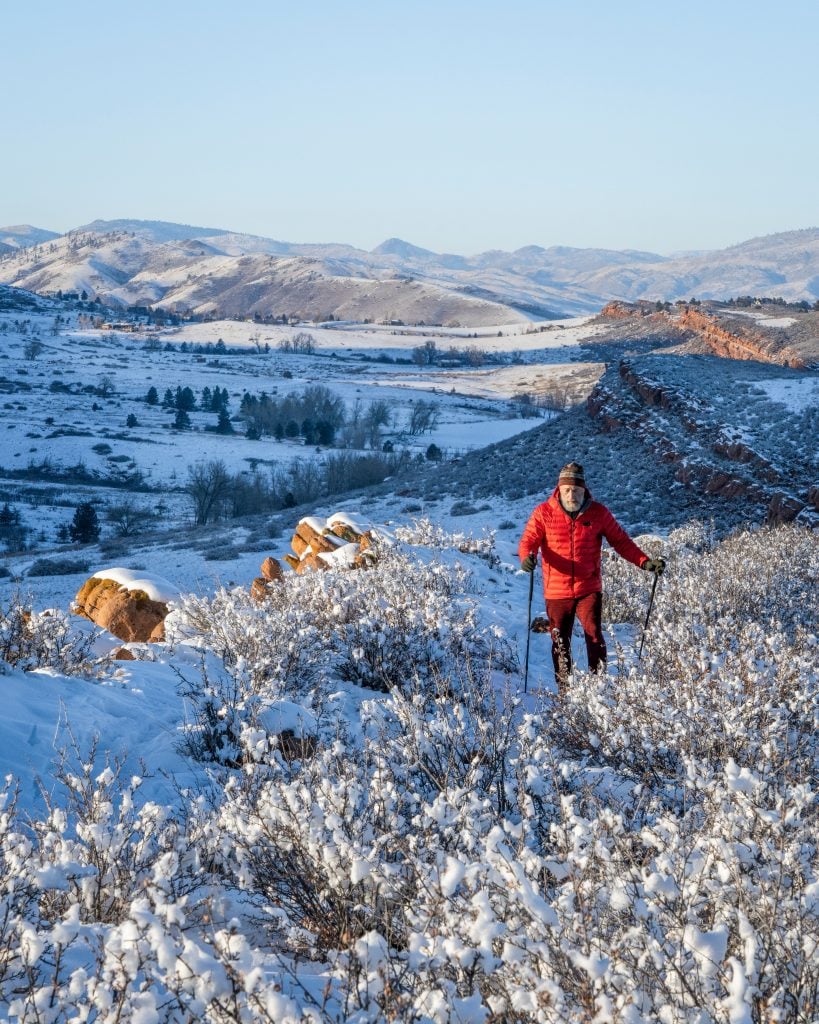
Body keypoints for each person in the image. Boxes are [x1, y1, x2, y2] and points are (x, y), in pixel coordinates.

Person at [518, 462, 665, 692]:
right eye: (567, 489)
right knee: (560, 640)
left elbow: (621, 541)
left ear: (584, 489)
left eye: (576, 489)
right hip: (557, 590)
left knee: (594, 636)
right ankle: (565, 691)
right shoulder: (543, 513)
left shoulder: (599, 513)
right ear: (559, 489)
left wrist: (644, 562)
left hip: (589, 587)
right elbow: (529, 541)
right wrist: (527, 557)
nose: (571, 494)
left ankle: (599, 688)